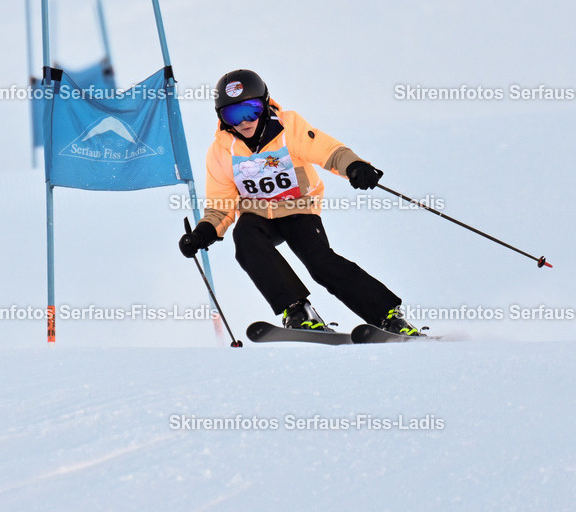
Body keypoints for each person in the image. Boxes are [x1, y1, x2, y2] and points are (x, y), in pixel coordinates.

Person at [178, 69, 422, 336]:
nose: (244, 122)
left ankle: (387, 315)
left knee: (319, 261)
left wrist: (354, 166)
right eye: (232, 115)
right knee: (245, 237)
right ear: (222, 119)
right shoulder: (222, 151)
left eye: (251, 110)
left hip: (298, 208)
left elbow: (327, 150)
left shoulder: (287, 128)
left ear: (265, 103)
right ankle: (296, 310)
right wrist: (204, 232)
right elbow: (221, 204)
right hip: (258, 213)